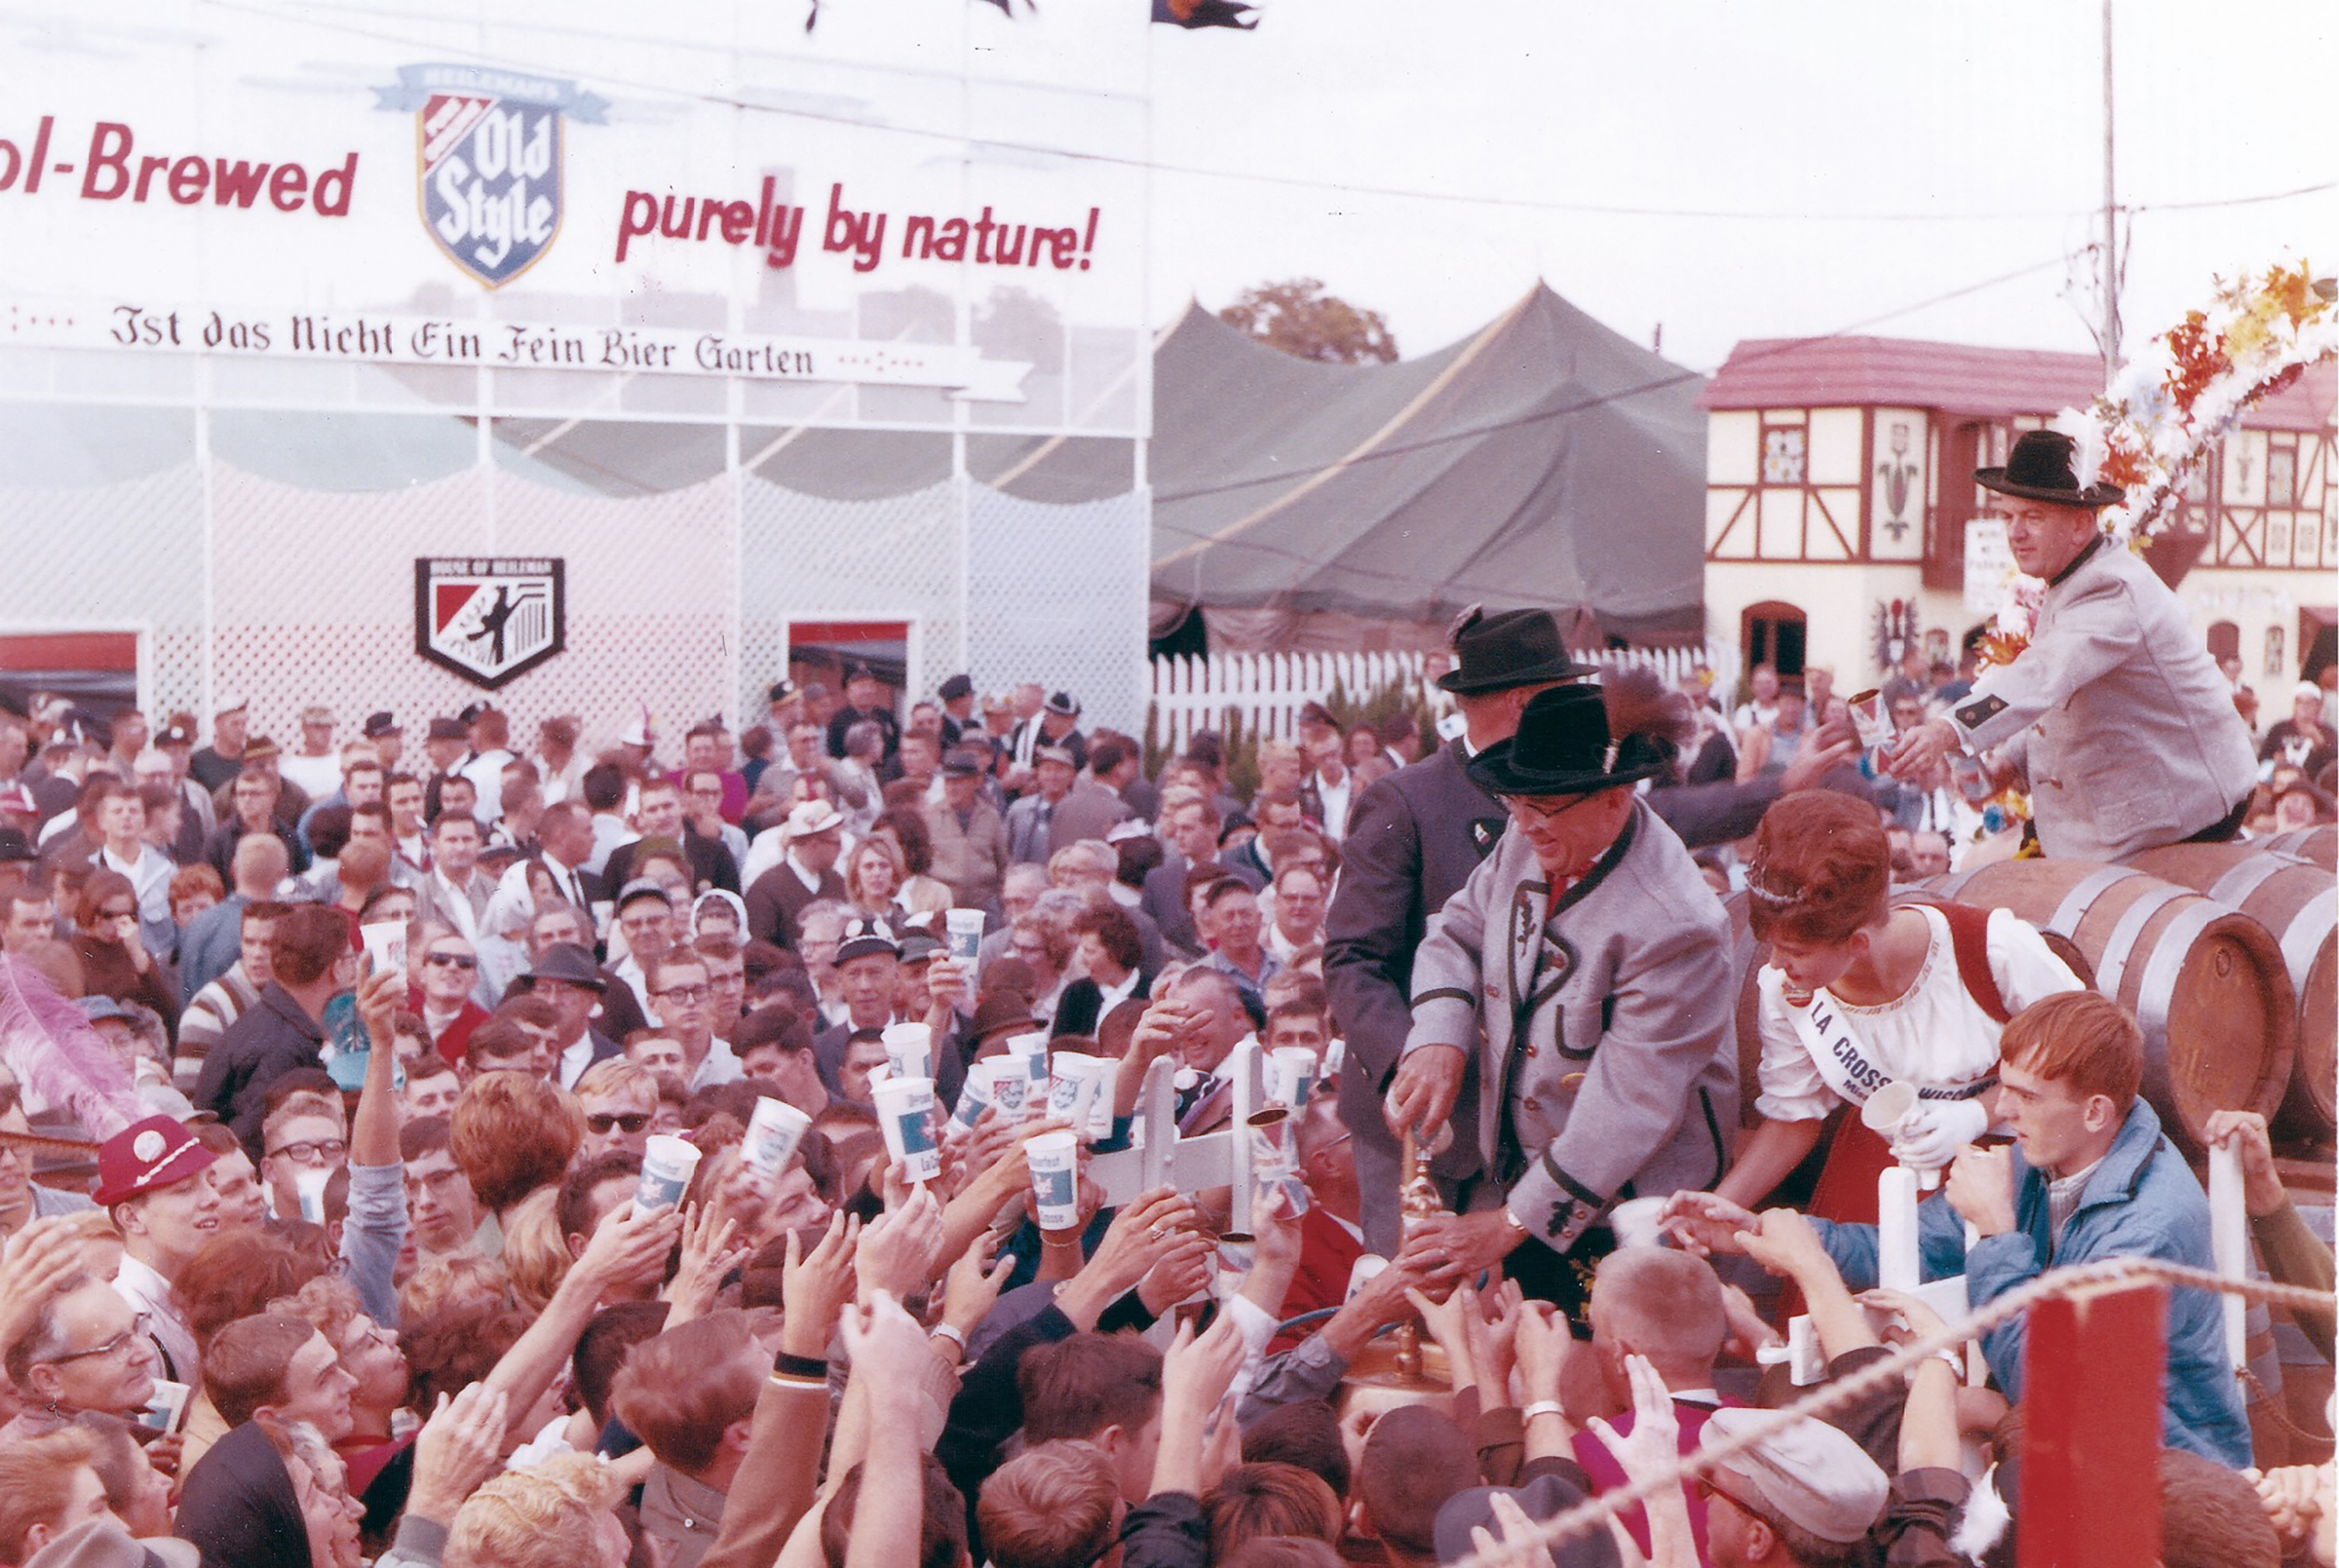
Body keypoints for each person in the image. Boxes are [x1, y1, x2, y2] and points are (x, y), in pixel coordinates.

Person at [1669, 989, 2251, 1466]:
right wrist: (1760, 1233)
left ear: (2096, 1111)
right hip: (2086, 1452)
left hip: (2171, 1477)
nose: (2002, 1111)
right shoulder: (2051, 1155)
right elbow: (1909, 1247)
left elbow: (2055, 1391)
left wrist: (1997, 1234)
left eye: (2026, 1096)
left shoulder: (2148, 1225)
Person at [1387, 683, 1735, 1310]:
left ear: (1615, 798)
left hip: (1628, 1209)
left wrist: (1507, 1224)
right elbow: (1456, 933)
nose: (1521, 825)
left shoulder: (1678, 923)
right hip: (1527, 1181)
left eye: (1542, 807)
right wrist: (1439, 1035)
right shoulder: (1531, 833)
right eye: (1513, 802)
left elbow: (1628, 1105)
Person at [1324, 606, 1592, 1253]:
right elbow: (1352, 960)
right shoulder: (1408, 799)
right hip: (1427, 1127)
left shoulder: (1576, 789)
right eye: (1562, 696)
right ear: (1524, 703)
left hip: (1539, 1121)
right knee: (1411, 1321)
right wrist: (1411, 1062)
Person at [1886, 428, 2258, 860]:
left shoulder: (2112, 590)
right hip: (2135, 808)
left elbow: (2044, 675)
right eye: (2008, 517)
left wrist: (1948, 728)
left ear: (2082, 524)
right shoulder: (2076, 577)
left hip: (2187, 815)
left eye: (2034, 517)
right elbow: (2075, 698)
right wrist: (2010, 760)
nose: (2016, 533)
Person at [1714, 790, 2082, 1217]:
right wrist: (1720, 1205)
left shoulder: (1989, 948)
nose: (1778, 964)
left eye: (1793, 950)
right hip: (1885, 1176)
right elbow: (1794, 1120)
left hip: (2011, 1165)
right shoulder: (1786, 993)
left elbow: (2086, 1047)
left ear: (1858, 943)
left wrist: (1978, 1115)